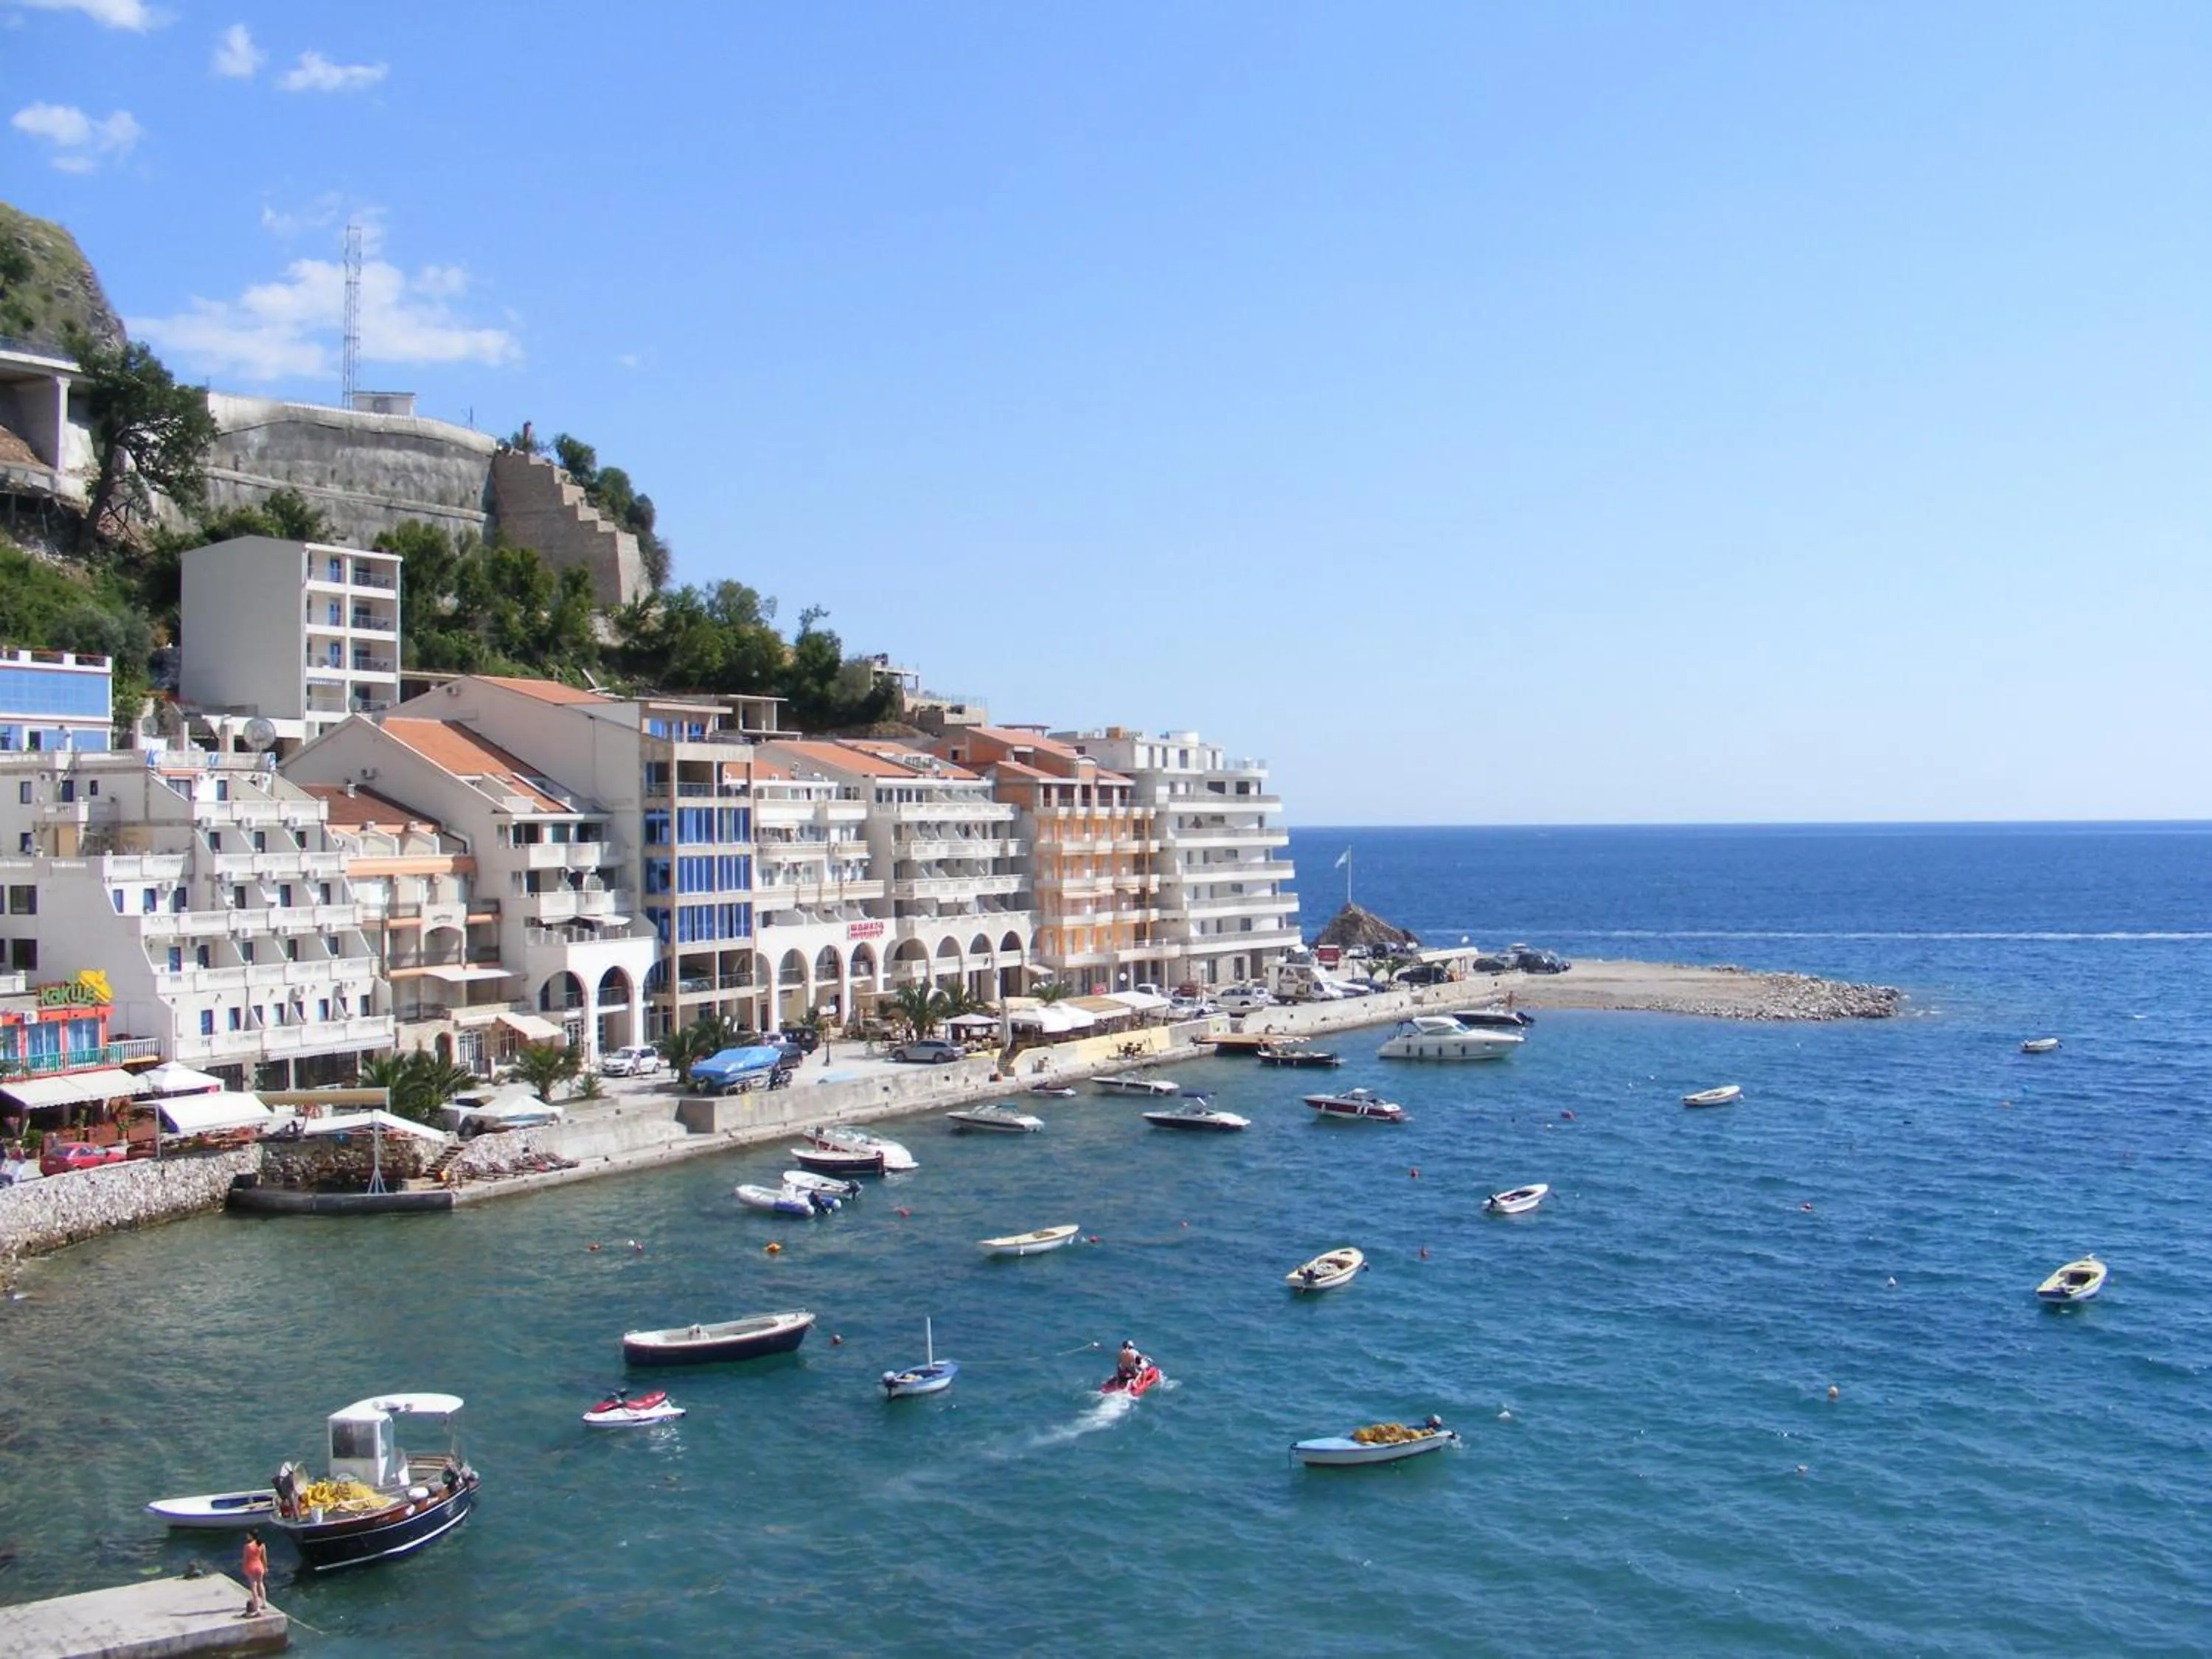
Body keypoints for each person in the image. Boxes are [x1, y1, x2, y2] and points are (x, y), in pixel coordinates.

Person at [240, 1530, 268, 1616]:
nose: (247, 1536)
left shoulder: (247, 1546)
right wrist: (265, 1567)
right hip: (259, 1566)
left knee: (253, 1586)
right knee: (261, 1584)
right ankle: (264, 1603)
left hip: (251, 1566)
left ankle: (256, 1606)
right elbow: (264, 1558)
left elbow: (245, 1558)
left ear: (251, 1536)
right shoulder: (262, 1545)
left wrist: (243, 1568)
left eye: (248, 1535)